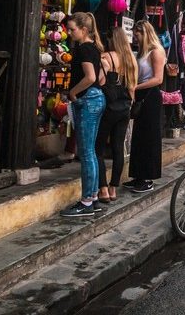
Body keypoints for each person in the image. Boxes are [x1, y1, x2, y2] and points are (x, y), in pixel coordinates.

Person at [61, 13, 107, 218]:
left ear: (84, 30)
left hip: (88, 100)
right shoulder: (94, 48)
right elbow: (98, 78)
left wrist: (73, 92)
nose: (70, 33)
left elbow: (90, 77)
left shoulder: (84, 48)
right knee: (91, 151)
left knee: (87, 152)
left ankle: (87, 200)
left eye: (72, 29)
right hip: (96, 98)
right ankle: (93, 197)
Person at [96, 28, 138, 203]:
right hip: (125, 109)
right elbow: (132, 89)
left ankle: (103, 189)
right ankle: (114, 189)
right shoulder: (131, 60)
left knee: (97, 148)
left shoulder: (106, 57)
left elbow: (100, 82)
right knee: (118, 148)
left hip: (108, 109)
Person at [125, 21, 166, 194]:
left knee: (149, 136)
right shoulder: (141, 52)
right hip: (141, 93)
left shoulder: (155, 52)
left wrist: (136, 87)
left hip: (150, 95)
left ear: (146, 33)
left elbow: (158, 79)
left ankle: (148, 177)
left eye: (138, 34)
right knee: (139, 135)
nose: (135, 37)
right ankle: (138, 175)